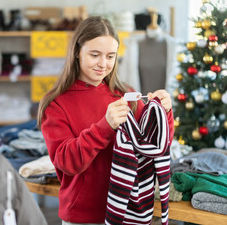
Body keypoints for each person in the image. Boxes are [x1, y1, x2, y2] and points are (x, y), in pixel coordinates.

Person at [37, 16, 174, 224]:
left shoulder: (126, 95)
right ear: (77, 52)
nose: (103, 64)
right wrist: (105, 126)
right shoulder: (56, 103)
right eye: (94, 55)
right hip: (83, 218)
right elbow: (66, 162)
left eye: (111, 56)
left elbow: (156, 145)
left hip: (129, 213)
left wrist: (164, 112)